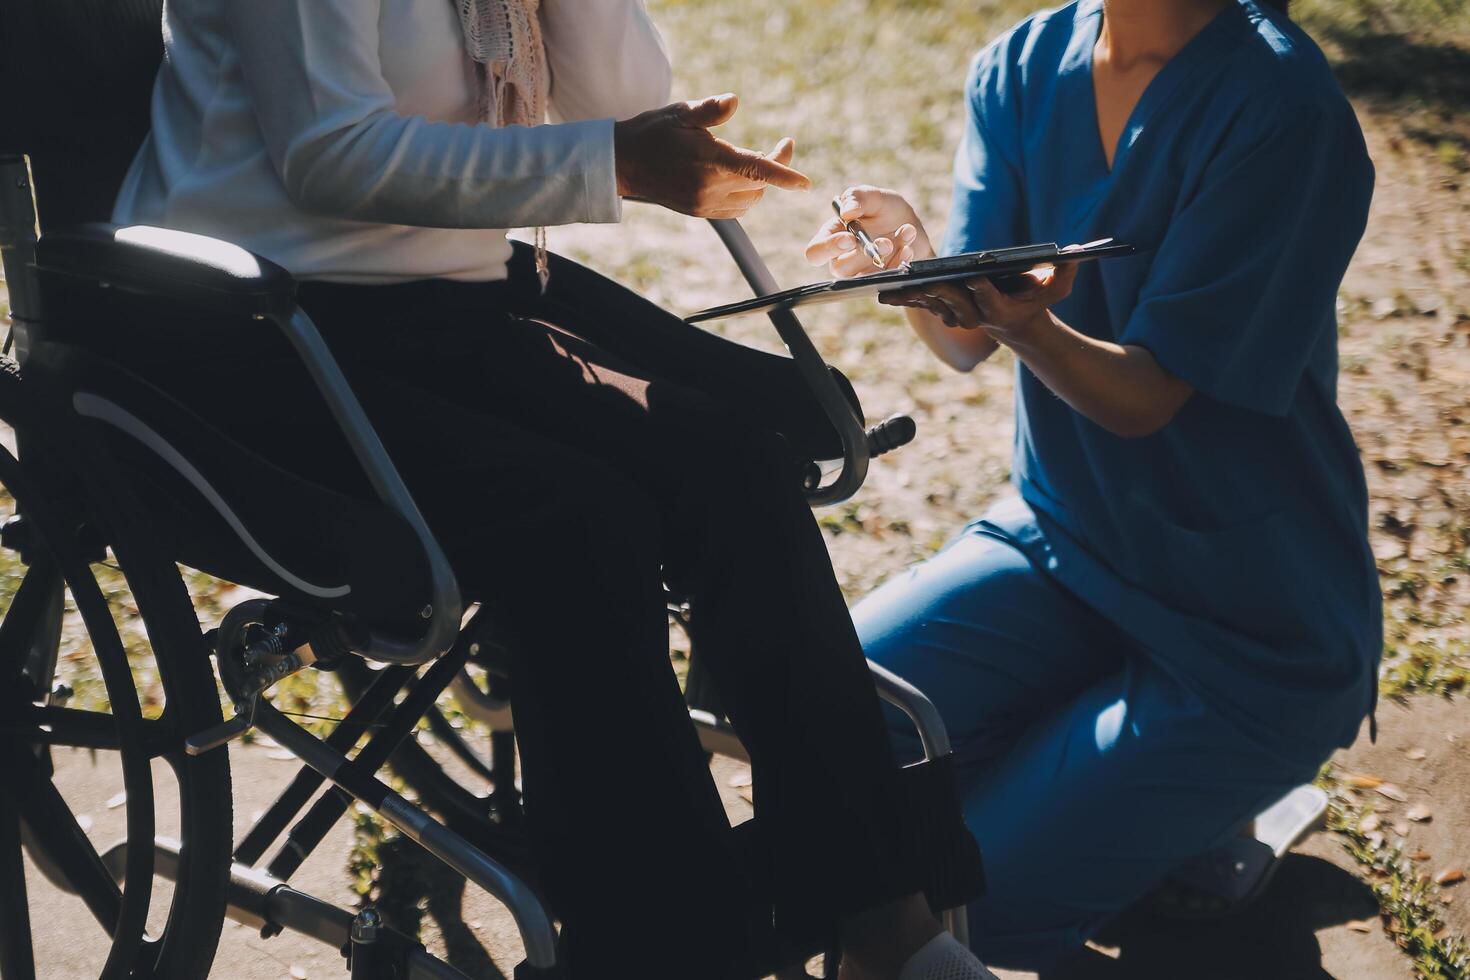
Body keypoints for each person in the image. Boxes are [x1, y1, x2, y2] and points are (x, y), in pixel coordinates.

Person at [111, 0, 992, 977]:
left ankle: (881, 918)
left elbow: (625, 99)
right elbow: (331, 155)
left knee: (733, 454)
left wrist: (612, 126)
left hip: (441, 299)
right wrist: (609, 162)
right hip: (247, 322)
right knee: (574, 520)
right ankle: (667, 950)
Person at [805, 0, 1378, 970]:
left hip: (1248, 623)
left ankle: (1220, 793)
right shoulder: (1022, 65)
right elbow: (964, 337)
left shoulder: (1284, 106)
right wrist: (914, 262)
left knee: (968, 899)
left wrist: (1027, 323)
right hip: (1062, 543)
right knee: (825, 724)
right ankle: (1145, 801)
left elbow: (1143, 397)